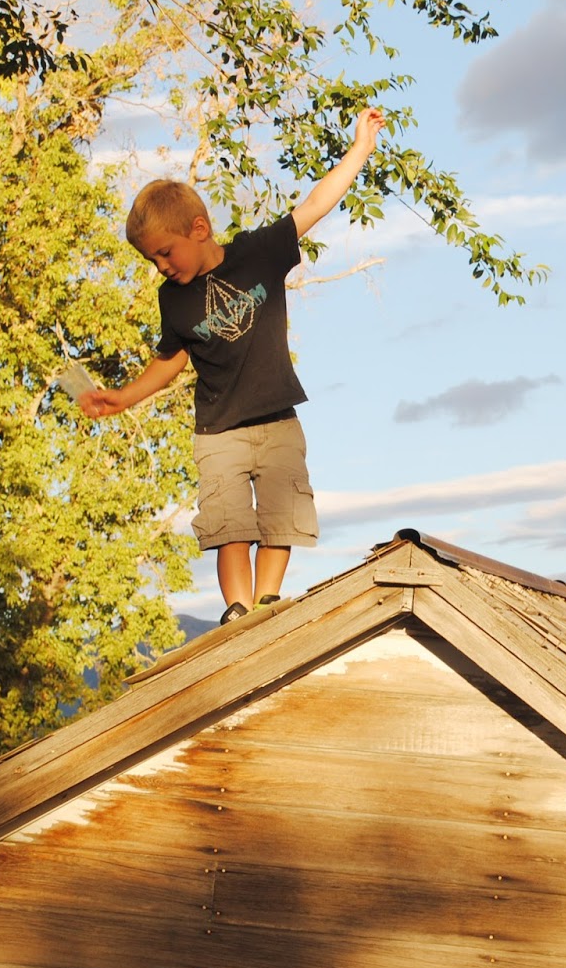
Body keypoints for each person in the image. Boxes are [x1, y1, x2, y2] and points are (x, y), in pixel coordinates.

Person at [81, 108, 386, 625]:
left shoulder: (258, 254)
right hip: (218, 430)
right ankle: (238, 611)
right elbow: (171, 359)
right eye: (152, 261)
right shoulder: (172, 300)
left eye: (165, 253)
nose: (162, 267)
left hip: (277, 419)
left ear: (198, 229)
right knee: (229, 524)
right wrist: (122, 397)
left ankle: (267, 602)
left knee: (280, 518)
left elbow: (315, 203)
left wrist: (360, 149)